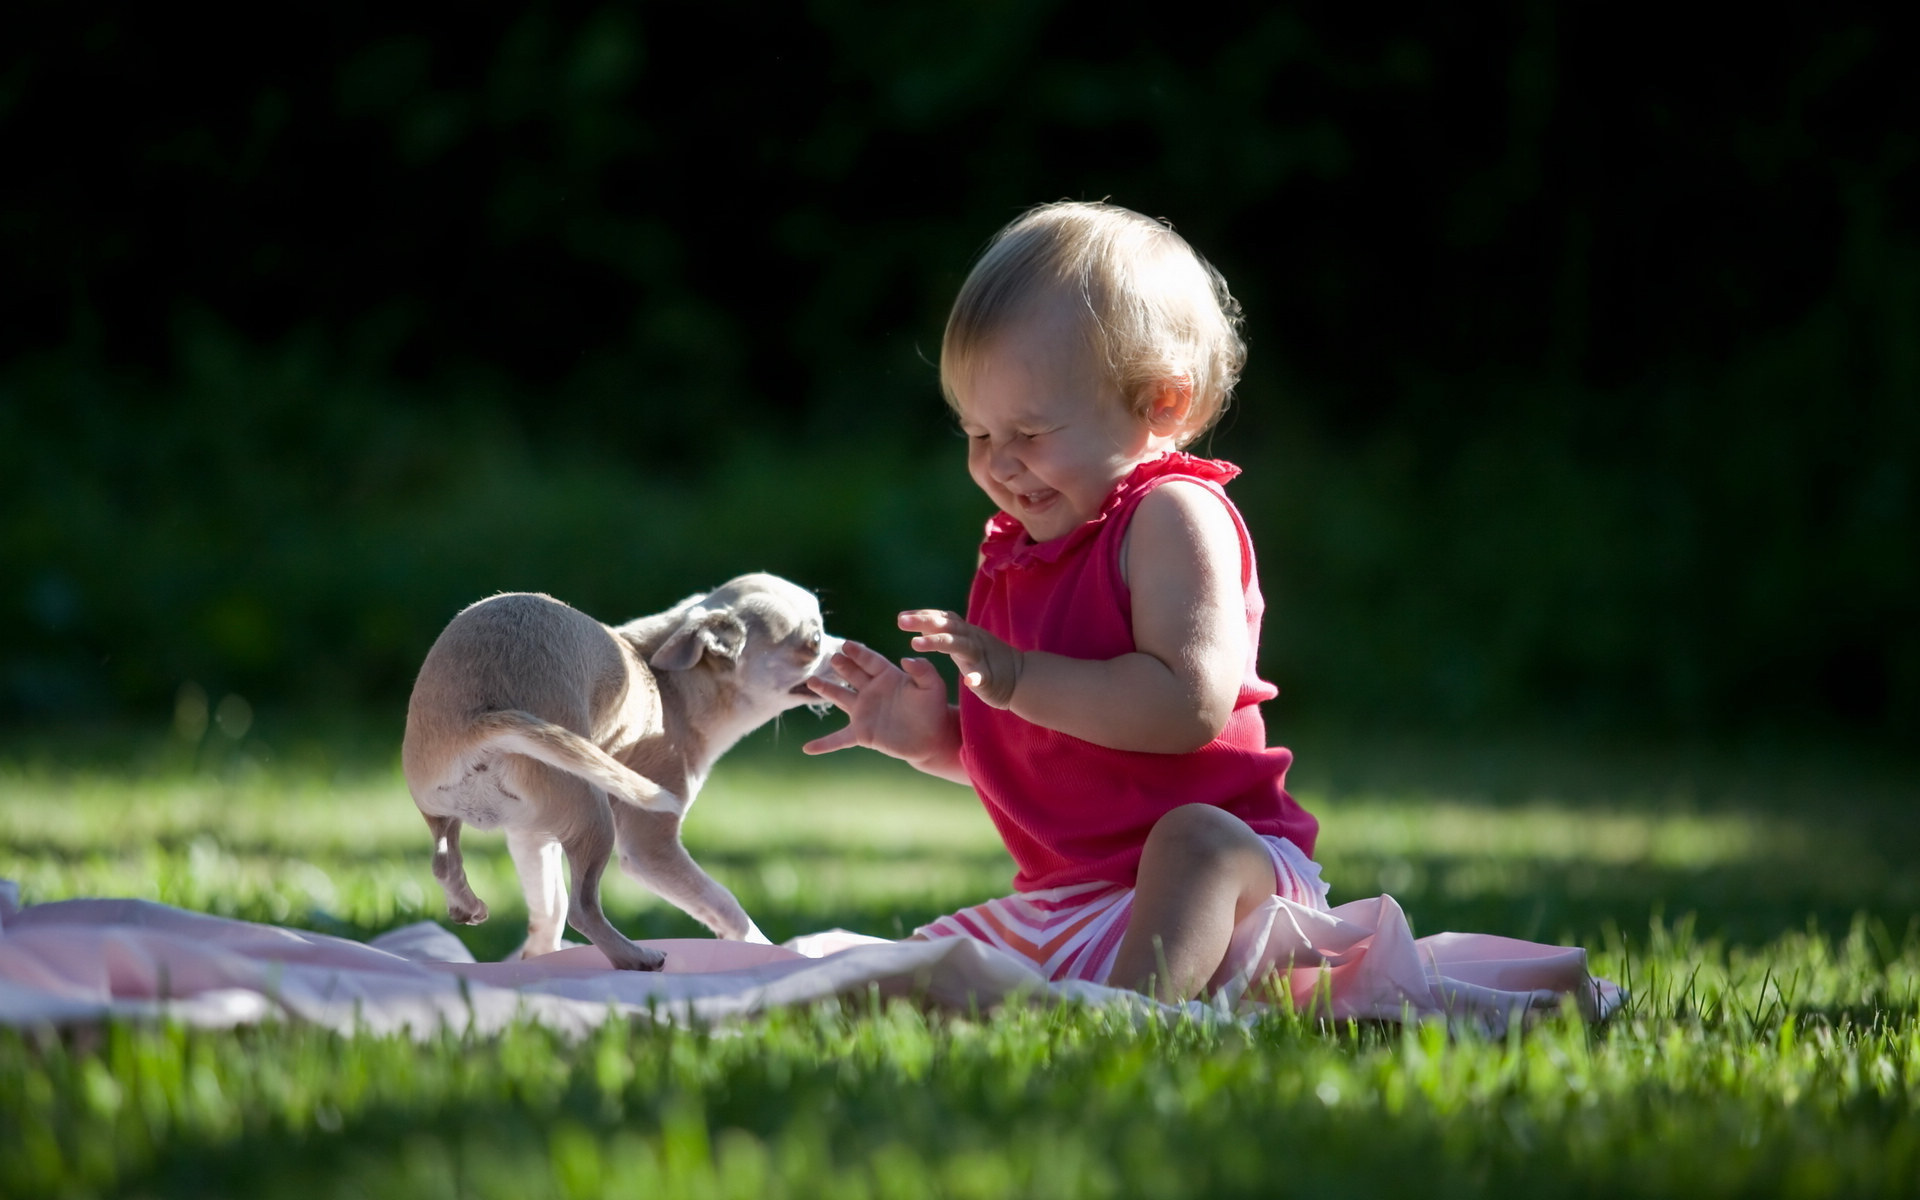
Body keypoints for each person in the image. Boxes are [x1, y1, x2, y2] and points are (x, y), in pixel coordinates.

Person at [803, 200, 1325, 1002]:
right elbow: (1056, 757)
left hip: (1232, 895)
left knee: (1193, 843)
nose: (1001, 464)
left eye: (1031, 432)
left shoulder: (1171, 515)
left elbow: (1187, 705)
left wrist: (1014, 678)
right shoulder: (1019, 550)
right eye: (977, 435)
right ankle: (1109, 997)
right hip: (1079, 906)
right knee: (893, 985)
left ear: (1163, 404)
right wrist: (938, 739)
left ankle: (1133, 1018)